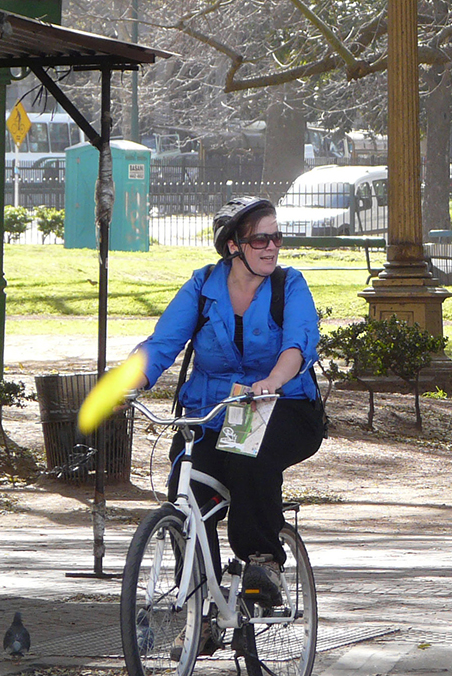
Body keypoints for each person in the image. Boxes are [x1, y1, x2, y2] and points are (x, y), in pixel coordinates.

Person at [134, 197, 323, 649]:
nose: (273, 246)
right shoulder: (202, 287)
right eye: (261, 238)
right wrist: (127, 383)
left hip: (284, 405)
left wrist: (272, 381)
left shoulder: (288, 286)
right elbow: (162, 343)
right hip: (212, 410)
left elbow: (299, 342)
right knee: (187, 491)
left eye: (277, 237)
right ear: (233, 246)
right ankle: (200, 613)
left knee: (245, 453)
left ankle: (263, 561)